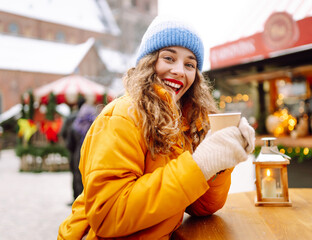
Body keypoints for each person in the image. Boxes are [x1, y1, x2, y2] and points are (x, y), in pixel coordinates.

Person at [58, 16, 255, 240]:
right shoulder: (122, 117)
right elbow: (108, 216)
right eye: (169, 58)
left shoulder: (186, 121)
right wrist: (199, 165)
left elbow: (200, 207)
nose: (180, 70)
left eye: (189, 64)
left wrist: (218, 165)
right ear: (149, 62)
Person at [60, 97, 85, 204]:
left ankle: (76, 199)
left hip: (75, 150)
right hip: (88, 150)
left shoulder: (71, 117)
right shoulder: (90, 116)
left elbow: (63, 132)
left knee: (75, 175)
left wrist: (69, 146)